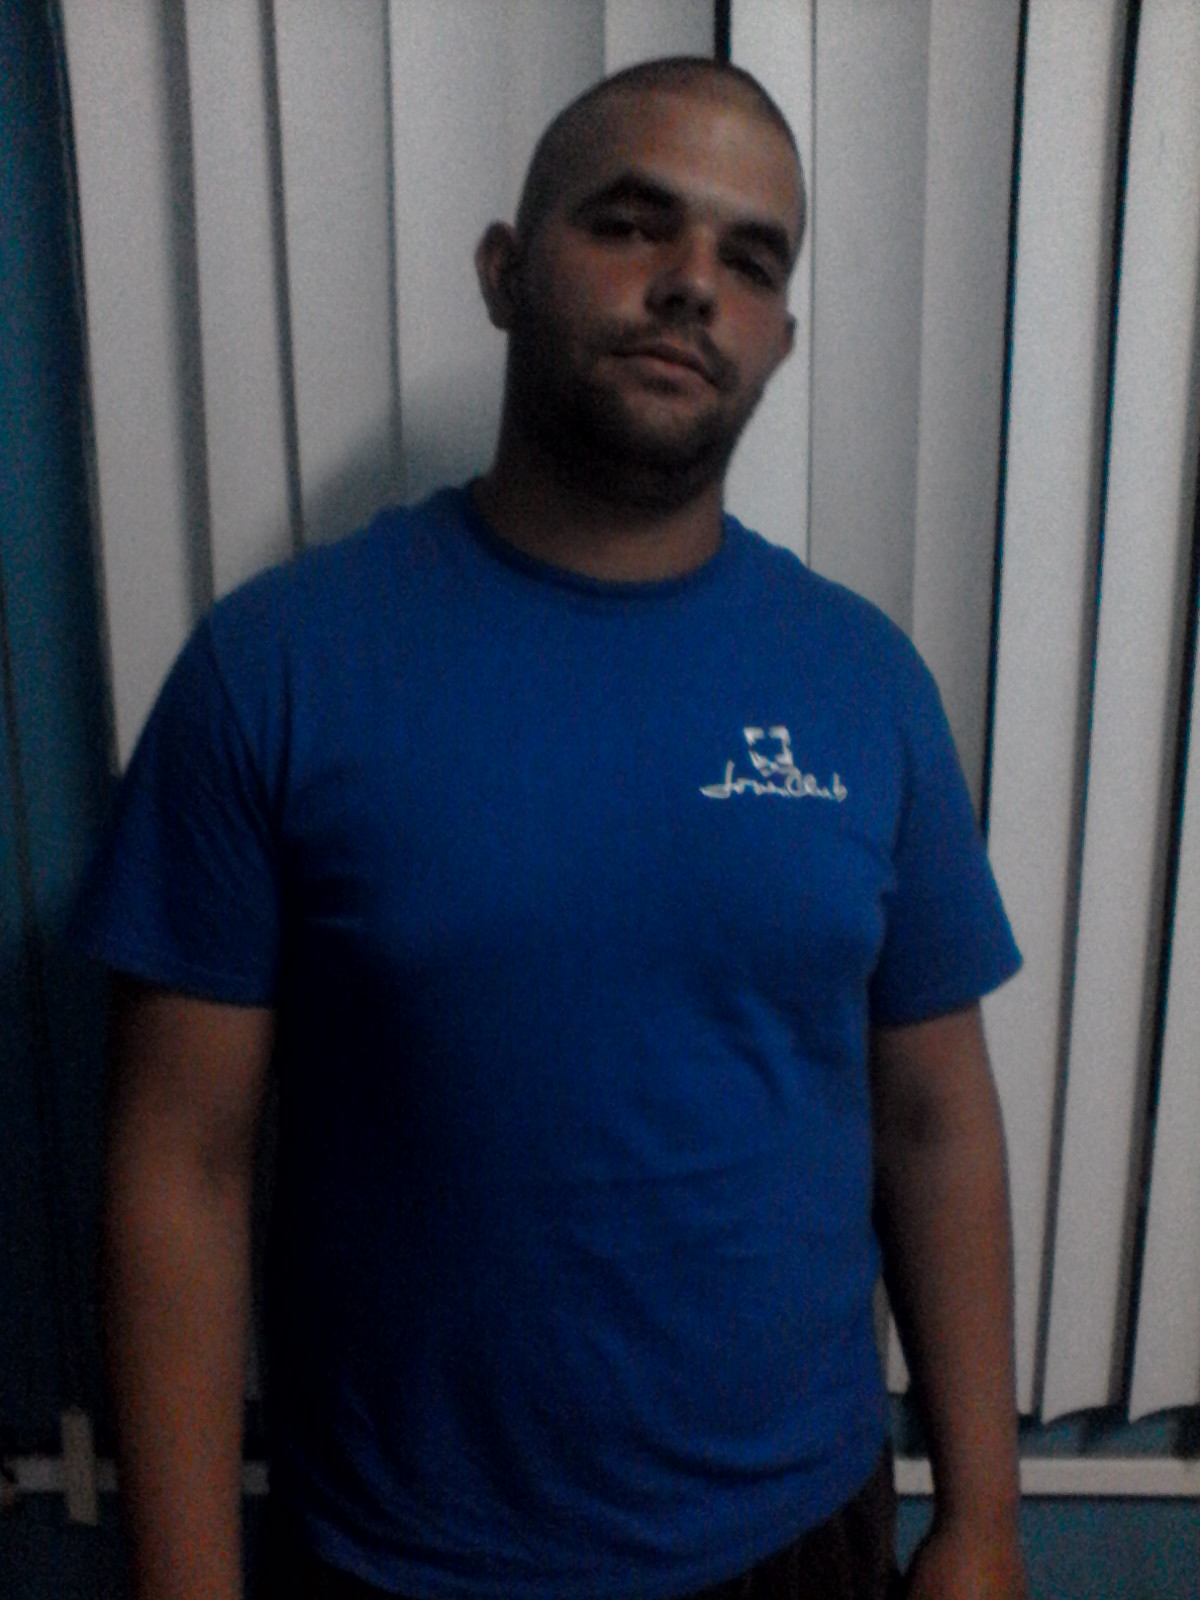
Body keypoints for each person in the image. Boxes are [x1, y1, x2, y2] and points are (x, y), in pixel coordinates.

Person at [82, 56, 1028, 1600]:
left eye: (751, 260)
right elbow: (180, 1164)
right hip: (399, 1558)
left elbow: (936, 1115)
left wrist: (983, 1518)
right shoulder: (277, 671)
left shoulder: (864, 685)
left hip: (797, 1536)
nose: (692, 284)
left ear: (781, 340)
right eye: (634, 224)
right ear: (505, 272)